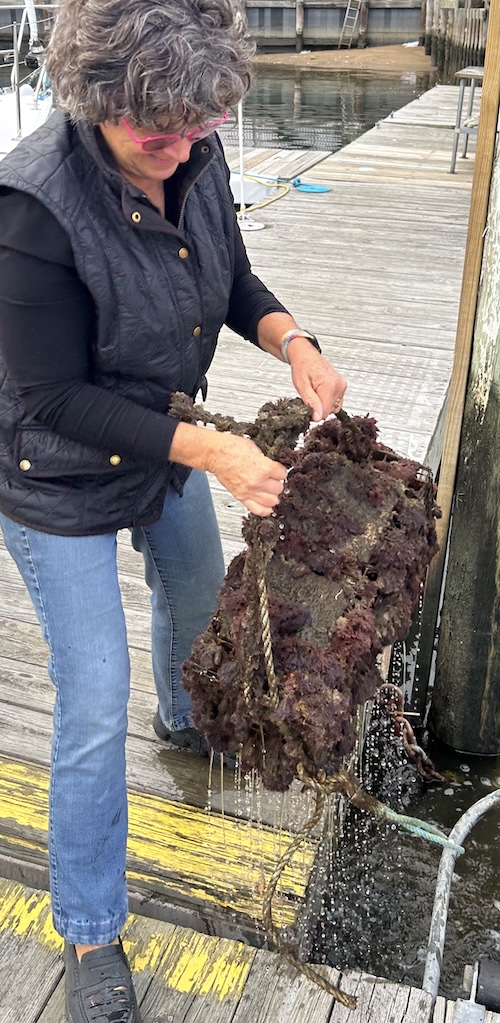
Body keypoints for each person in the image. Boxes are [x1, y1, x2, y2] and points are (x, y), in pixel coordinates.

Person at [0, 1, 346, 1020]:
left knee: (195, 591)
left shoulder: (194, 146)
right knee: (91, 706)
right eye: (155, 136)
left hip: (163, 438)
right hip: (53, 472)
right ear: (95, 102)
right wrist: (214, 451)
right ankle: (91, 929)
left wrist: (294, 341)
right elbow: (53, 395)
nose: (177, 152)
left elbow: (228, 275)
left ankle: (185, 714)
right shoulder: (30, 208)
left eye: (197, 130)